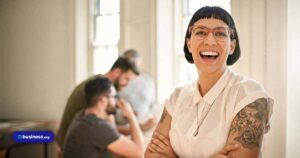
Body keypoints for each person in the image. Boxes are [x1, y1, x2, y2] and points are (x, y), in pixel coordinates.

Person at [145, 6, 273, 158]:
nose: (210, 41)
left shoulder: (249, 94)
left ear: (232, 46)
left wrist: (173, 156)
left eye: (220, 33)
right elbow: (151, 155)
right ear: (189, 44)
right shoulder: (176, 97)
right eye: (200, 32)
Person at [56, 57, 139, 150]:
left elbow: (110, 130)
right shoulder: (100, 92)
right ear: (116, 72)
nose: (127, 84)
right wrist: (132, 118)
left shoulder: (97, 83)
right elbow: (112, 131)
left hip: (69, 144)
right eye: (126, 78)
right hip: (71, 148)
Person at [63, 76, 145, 158]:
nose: (117, 101)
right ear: (103, 100)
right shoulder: (96, 126)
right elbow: (140, 152)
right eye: (115, 97)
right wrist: (131, 116)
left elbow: (112, 133)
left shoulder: (82, 116)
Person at [116, 49, 157, 134]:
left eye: (136, 63)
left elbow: (152, 105)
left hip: (146, 129)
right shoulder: (117, 82)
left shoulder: (148, 81)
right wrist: (126, 114)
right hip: (124, 130)